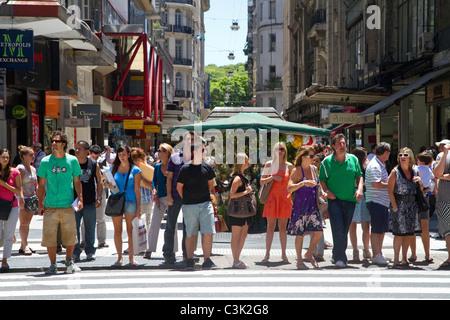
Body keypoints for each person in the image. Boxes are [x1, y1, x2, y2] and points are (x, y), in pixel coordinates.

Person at [37, 131, 83, 274]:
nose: (54, 144)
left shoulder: (72, 160)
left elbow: (77, 181)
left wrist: (80, 199)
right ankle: (53, 264)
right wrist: (40, 203)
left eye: (57, 141)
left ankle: (69, 262)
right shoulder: (45, 162)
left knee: (70, 236)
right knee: (50, 237)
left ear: (63, 144)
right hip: (50, 206)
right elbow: (41, 184)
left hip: (68, 205)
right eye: (52, 141)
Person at [319, 134, 364, 268]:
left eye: (343, 143)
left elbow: (359, 176)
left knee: (344, 229)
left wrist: (360, 189)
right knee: (338, 228)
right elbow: (322, 180)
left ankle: (336, 254)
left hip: (350, 200)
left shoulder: (353, 159)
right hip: (335, 201)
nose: (342, 146)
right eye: (339, 144)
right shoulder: (326, 162)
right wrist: (327, 192)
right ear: (333, 146)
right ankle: (341, 258)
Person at [176, 141, 216, 270]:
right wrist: (187, 199)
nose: (204, 153)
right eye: (202, 150)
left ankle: (207, 260)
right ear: (194, 152)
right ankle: (189, 260)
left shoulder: (207, 167)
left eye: (204, 150)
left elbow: (211, 185)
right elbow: (179, 187)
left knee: (208, 232)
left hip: (205, 203)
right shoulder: (185, 169)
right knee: (190, 233)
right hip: (189, 205)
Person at [104, 146, 142, 267]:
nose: (122, 156)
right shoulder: (113, 168)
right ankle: (119, 258)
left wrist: (139, 208)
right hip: (116, 201)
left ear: (129, 154)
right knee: (117, 230)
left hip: (131, 202)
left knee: (130, 231)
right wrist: (107, 184)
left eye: (124, 154)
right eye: (119, 154)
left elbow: (137, 189)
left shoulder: (135, 169)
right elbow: (107, 183)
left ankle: (131, 258)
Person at [287, 146, 323, 270]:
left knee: (318, 232)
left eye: (314, 156)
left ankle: (308, 253)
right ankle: (299, 260)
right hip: (301, 206)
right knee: (300, 234)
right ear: (303, 157)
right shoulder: (297, 170)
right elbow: (289, 188)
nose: (314, 158)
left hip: (312, 206)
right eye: (311, 156)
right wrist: (303, 183)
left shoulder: (313, 169)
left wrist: (322, 192)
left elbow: (317, 184)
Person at [387, 147, 422, 268]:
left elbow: (421, 189)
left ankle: (404, 258)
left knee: (409, 233)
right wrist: (395, 207)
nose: (402, 157)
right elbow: (390, 191)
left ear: (410, 158)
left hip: (412, 206)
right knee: (398, 234)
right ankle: (396, 259)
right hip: (399, 206)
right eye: (401, 155)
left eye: (405, 155)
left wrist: (420, 182)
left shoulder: (414, 171)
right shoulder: (394, 172)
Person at [260, 142, 294, 264]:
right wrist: (272, 177)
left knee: (282, 228)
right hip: (272, 199)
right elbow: (261, 182)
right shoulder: (269, 164)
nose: (279, 151)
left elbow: (293, 182)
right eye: (277, 149)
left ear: (285, 151)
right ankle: (267, 254)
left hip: (285, 198)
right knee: (270, 227)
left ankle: (284, 254)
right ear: (273, 151)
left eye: (282, 149)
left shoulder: (289, 166)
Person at [164, 131, 195, 264]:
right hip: (175, 197)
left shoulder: (196, 158)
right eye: (188, 139)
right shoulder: (174, 157)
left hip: (190, 198)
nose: (190, 142)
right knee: (170, 226)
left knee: (188, 228)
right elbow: (169, 178)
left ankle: (186, 254)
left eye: (193, 140)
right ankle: (168, 253)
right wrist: (169, 195)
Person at [73, 141, 103, 262]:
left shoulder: (93, 164)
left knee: (90, 227)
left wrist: (99, 197)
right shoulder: (72, 163)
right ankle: (75, 252)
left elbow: (100, 181)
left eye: (79, 148)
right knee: (74, 228)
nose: (76, 150)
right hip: (74, 201)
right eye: (76, 148)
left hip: (90, 200)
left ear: (87, 152)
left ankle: (90, 251)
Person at [144, 143, 175, 259]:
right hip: (160, 198)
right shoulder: (157, 166)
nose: (158, 152)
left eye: (160, 150)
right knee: (154, 223)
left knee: (173, 225)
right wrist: (154, 192)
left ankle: (172, 249)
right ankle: (149, 249)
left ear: (167, 152)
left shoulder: (174, 166)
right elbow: (153, 181)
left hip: (171, 198)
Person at [365, 142, 391, 266]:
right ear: (386, 152)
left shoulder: (380, 164)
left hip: (382, 202)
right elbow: (376, 184)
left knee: (381, 229)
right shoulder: (375, 165)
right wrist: (391, 185)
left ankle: (379, 253)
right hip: (376, 201)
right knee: (376, 229)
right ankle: (376, 254)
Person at [0, 149, 23, 272]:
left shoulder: (15, 172)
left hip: (12, 206)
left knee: (9, 235)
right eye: (3, 157)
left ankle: (5, 261)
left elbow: (18, 190)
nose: (5, 159)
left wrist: (3, 184)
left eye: (7, 157)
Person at [409, 151, 435, 263]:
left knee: (413, 229)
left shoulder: (415, 169)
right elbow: (432, 184)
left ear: (421, 161)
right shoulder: (429, 170)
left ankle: (413, 254)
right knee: (425, 228)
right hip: (424, 199)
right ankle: (427, 254)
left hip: (414, 199)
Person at [229, 153, 252, 269]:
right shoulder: (237, 178)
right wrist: (246, 192)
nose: (249, 162)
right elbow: (231, 195)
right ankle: (235, 260)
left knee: (243, 234)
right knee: (236, 235)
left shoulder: (242, 176)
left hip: (244, 211)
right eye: (247, 160)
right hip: (237, 211)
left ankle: (237, 259)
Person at [349, 147, 371, 262]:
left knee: (356, 225)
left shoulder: (353, 166)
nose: (366, 158)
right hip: (361, 195)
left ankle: (357, 251)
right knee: (364, 225)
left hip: (354, 196)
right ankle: (364, 250)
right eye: (365, 156)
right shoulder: (362, 168)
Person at [17, 147, 38, 255]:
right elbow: (18, 184)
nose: (33, 156)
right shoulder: (20, 168)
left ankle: (23, 244)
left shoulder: (33, 168)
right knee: (24, 222)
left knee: (27, 223)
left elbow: (36, 184)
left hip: (32, 199)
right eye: (31, 154)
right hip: (23, 198)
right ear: (24, 156)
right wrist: (20, 197)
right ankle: (25, 245)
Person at [131, 147, 154, 245]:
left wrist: (140, 180)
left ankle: (144, 245)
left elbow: (152, 186)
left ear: (139, 160)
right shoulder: (132, 170)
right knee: (134, 223)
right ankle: (136, 245)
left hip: (146, 199)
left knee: (145, 224)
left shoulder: (149, 170)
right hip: (133, 199)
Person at [87, 144, 108, 248]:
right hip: (88, 190)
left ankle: (101, 240)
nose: (94, 159)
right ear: (89, 153)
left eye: (97, 157)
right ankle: (84, 240)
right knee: (85, 218)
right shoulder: (85, 161)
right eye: (93, 156)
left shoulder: (103, 162)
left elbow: (106, 175)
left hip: (99, 190)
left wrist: (99, 174)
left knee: (100, 217)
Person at [433, 141, 450, 268]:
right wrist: (444, 154)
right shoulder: (440, 156)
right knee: (447, 231)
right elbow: (437, 174)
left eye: (443, 145)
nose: (441, 147)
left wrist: (443, 176)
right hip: (444, 198)